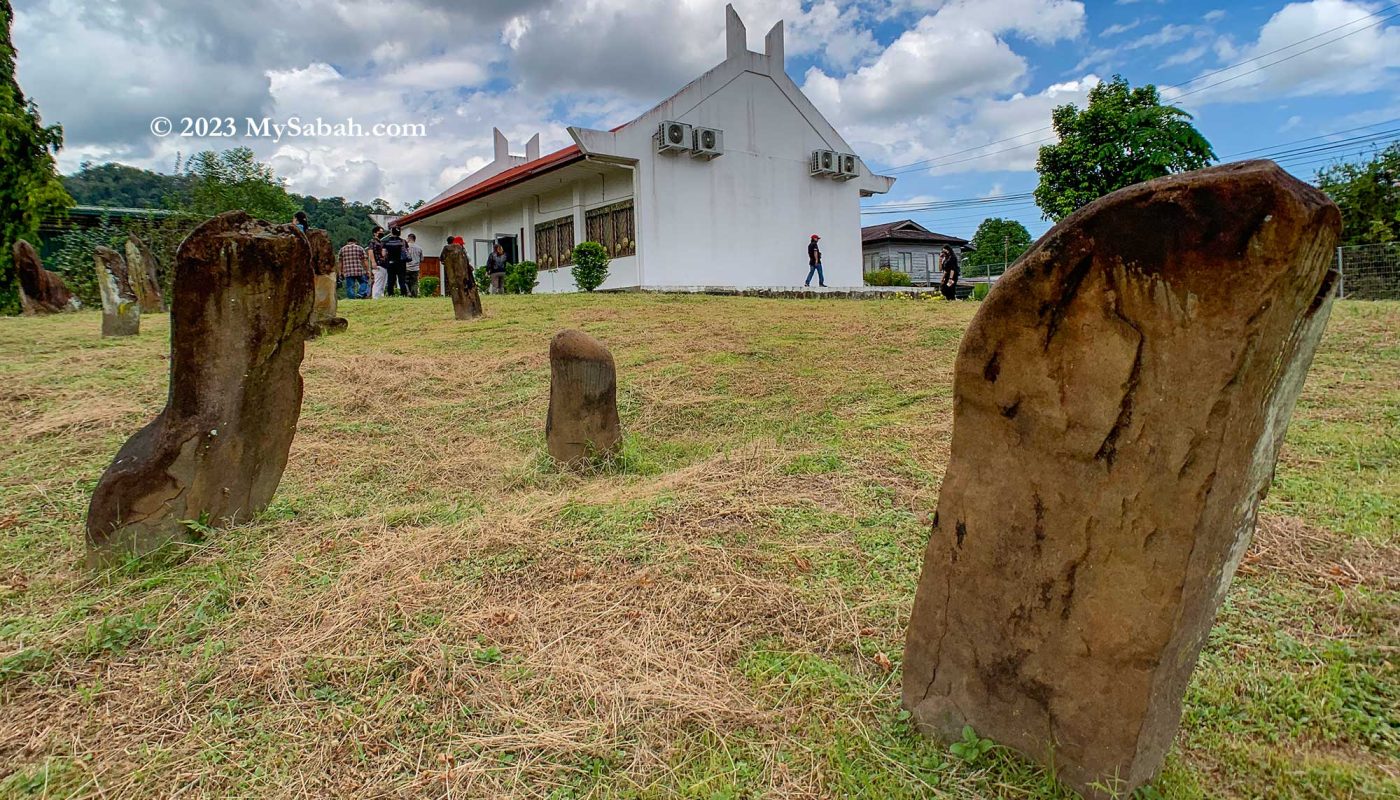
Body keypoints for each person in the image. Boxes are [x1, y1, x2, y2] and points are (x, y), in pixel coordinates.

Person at [369, 227, 388, 299]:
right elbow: (370, 251)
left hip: (383, 264)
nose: (382, 233)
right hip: (378, 264)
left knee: (383, 282)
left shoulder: (380, 242)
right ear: (375, 233)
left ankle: (380, 296)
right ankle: (375, 297)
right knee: (378, 281)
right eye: (380, 232)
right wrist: (373, 262)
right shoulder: (373, 241)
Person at [404, 233, 423, 297]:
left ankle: (408, 293)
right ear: (415, 239)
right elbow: (422, 259)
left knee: (405, 281)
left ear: (409, 238)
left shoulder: (405, 248)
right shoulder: (419, 248)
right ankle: (414, 295)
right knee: (414, 282)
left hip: (406, 267)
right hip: (415, 268)